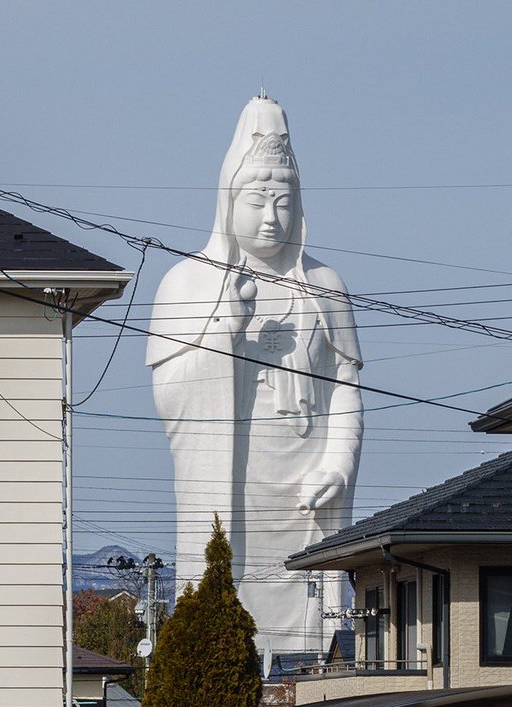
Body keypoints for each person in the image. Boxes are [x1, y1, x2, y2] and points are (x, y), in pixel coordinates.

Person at [147, 94, 363, 651]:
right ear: (228, 202)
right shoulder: (186, 284)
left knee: (310, 609)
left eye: (284, 202)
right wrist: (224, 332)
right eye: (258, 200)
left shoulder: (325, 286)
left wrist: (338, 464)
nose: (272, 218)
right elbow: (170, 398)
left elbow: (347, 386)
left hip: (307, 486)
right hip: (233, 480)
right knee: (228, 591)